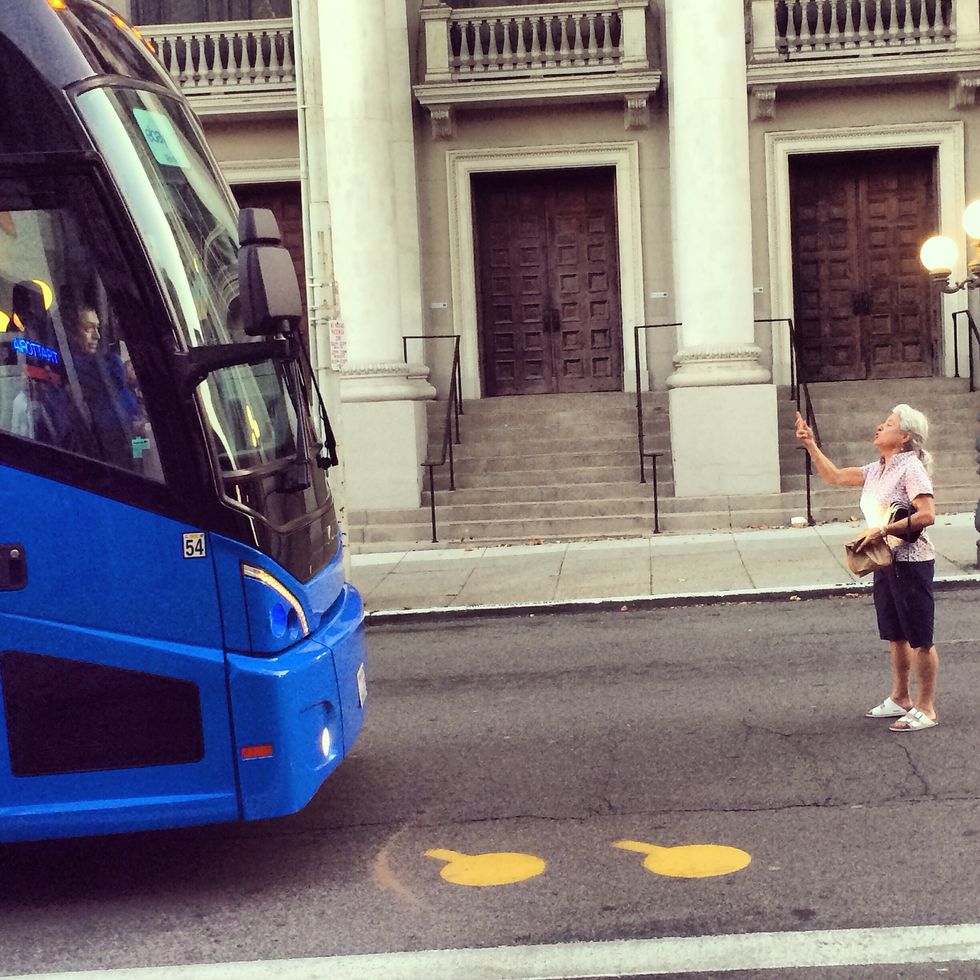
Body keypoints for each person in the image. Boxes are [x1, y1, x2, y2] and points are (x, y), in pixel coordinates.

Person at [795, 405, 940, 732]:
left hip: (912, 562)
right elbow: (833, 476)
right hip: (886, 562)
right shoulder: (878, 469)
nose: (879, 426)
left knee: (920, 638)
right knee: (895, 634)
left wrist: (884, 530)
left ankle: (926, 707)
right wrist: (811, 445)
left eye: (888, 424)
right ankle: (900, 697)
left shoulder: (910, 468)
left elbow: (927, 514)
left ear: (903, 437)